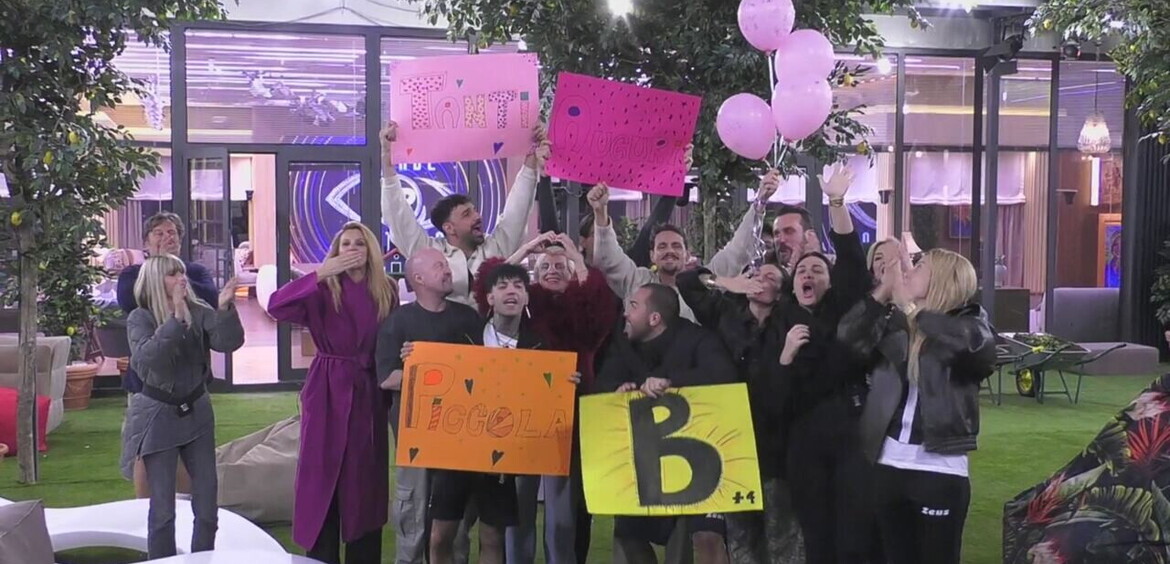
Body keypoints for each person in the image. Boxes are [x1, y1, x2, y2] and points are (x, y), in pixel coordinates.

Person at [838, 246, 996, 564]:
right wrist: (883, 291)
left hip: (939, 469)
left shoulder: (971, 324)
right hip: (889, 464)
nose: (908, 272)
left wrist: (910, 308)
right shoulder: (898, 324)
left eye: (919, 266)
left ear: (943, 279)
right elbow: (848, 339)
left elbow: (971, 349)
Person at [474, 233, 617, 564]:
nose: (552, 270)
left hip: (568, 417)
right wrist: (526, 248)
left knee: (563, 512)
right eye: (545, 267)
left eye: (559, 266)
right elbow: (488, 285)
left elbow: (600, 307)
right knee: (519, 507)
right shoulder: (527, 306)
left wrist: (576, 257)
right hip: (522, 419)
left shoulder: (585, 309)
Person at [266, 221, 399, 564]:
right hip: (327, 388)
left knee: (364, 478)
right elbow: (276, 306)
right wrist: (320, 273)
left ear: (371, 251)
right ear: (336, 252)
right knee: (321, 473)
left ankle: (363, 554)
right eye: (346, 244)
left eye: (360, 243)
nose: (353, 249)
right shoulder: (322, 288)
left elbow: (393, 337)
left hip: (368, 390)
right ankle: (320, 555)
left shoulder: (386, 289)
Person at [771, 165, 881, 564]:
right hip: (803, 447)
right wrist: (785, 357)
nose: (809, 274)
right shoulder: (780, 322)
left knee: (853, 540)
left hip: (848, 438)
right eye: (802, 270)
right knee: (816, 539)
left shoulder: (841, 309)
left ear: (830, 282)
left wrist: (836, 203)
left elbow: (850, 259)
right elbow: (773, 391)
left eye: (817, 270)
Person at [597, 283, 737, 564]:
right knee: (627, 535)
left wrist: (670, 384)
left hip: (698, 468)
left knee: (701, 537)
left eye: (633, 306)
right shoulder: (622, 343)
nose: (626, 314)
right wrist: (618, 390)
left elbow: (724, 376)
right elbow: (602, 383)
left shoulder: (698, 339)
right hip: (643, 468)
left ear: (654, 318)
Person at [676, 261, 803, 564]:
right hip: (733, 444)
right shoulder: (726, 313)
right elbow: (686, 280)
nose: (758, 279)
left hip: (776, 444)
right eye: (756, 274)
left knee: (782, 540)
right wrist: (723, 281)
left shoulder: (790, 323)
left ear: (780, 293)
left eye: (769, 277)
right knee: (742, 542)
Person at [122, 254, 243, 559]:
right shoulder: (140, 318)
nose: (181, 279)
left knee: (207, 505)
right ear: (155, 280)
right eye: (173, 274)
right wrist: (175, 318)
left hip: (197, 413)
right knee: (163, 510)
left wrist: (225, 309)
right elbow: (149, 359)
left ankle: (203, 558)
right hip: (158, 416)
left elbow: (228, 343)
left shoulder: (198, 310)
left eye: (182, 273)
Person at [375, 247, 484, 564]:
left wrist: (432, 371)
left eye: (446, 265)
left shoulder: (468, 318)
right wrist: (426, 372)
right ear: (418, 278)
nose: (447, 270)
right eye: (439, 266)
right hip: (415, 440)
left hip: (460, 438)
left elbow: (485, 370)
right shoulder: (398, 323)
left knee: (457, 528)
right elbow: (387, 378)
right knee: (413, 516)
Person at [380, 121, 550, 307]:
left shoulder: (496, 248)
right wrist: (387, 157)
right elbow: (398, 216)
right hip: (441, 326)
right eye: (467, 214)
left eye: (475, 210)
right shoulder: (429, 252)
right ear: (449, 228)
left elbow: (518, 209)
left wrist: (531, 155)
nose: (478, 216)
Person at [586, 168, 779, 322]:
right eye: (662, 246)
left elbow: (739, 250)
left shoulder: (706, 281)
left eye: (677, 246)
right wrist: (600, 212)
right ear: (652, 255)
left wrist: (760, 201)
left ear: (687, 255)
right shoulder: (637, 280)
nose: (670, 251)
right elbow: (609, 260)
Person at [117, 211, 218, 498]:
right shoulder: (132, 274)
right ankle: (145, 510)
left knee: (189, 449)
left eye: (172, 232)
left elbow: (209, 300)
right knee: (147, 449)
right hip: (148, 383)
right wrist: (159, 273)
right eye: (158, 233)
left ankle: (186, 509)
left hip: (190, 382)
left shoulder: (195, 272)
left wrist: (173, 276)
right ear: (146, 243)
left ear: (181, 239)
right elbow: (129, 300)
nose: (166, 237)